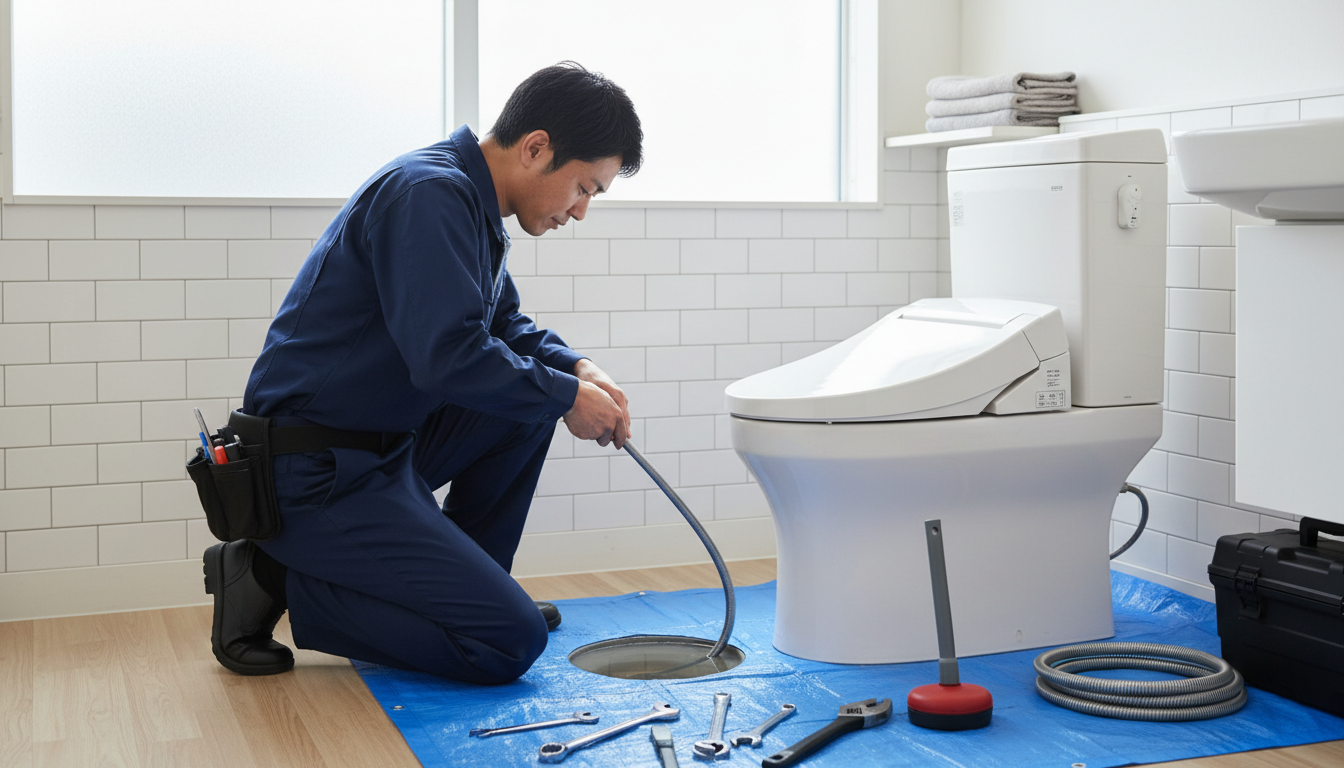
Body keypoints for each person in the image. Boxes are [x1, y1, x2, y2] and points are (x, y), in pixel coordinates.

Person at [202, 62, 642, 683]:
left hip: (376, 448)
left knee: (527, 408)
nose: (580, 211)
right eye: (584, 188)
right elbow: (448, 357)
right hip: (312, 471)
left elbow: (503, 327)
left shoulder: (469, 199)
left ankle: (471, 593)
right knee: (506, 645)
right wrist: (566, 396)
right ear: (536, 148)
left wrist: (575, 367)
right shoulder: (429, 192)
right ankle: (271, 574)